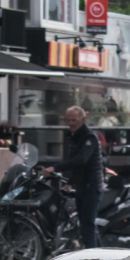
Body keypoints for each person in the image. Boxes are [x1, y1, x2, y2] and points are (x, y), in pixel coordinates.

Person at [45, 106, 103, 249]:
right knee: (87, 224)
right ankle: (103, 256)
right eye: (68, 120)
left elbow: (81, 160)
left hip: (92, 187)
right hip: (82, 187)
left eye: (74, 120)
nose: (70, 123)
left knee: (87, 226)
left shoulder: (89, 137)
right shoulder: (75, 137)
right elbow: (76, 165)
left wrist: (55, 168)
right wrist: (70, 182)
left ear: (82, 120)